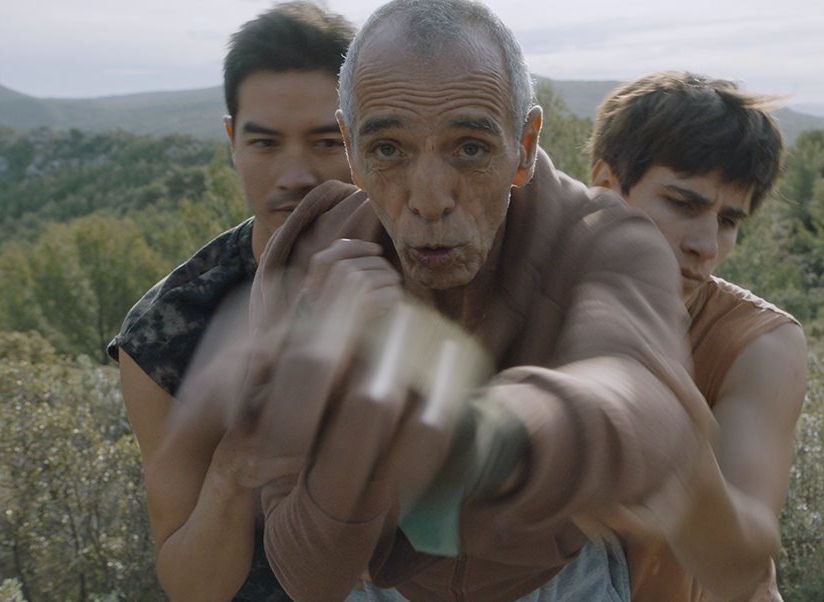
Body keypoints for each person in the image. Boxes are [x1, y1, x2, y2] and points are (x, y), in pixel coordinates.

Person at [157, 1, 714, 600]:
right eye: (389, 150)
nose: (428, 200)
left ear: (524, 146)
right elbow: (310, 577)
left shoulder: (601, 240)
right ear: (352, 149)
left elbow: (640, 412)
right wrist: (355, 400)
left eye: (470, 148)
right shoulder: (309, 253)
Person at [106, 2, 355, 598]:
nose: (295, 174)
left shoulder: (443, 261)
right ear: (231, 141)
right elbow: (192, 585)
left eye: (326, 141)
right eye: (265, 143)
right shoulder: (167, 333)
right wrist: (232, 469)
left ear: (368, 135)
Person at [589, 72, 807, 601]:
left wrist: (674, 441)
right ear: (605, 184)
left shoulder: (759, 343)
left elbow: (740, 571)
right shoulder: (529, 290)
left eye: (729, 220)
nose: (706, 245)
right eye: (683, 204)